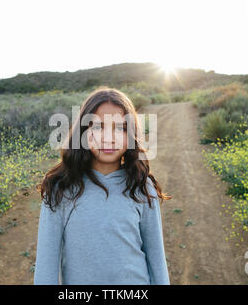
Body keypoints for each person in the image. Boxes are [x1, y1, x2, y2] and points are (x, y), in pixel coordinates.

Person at [34, 86, 171, 285]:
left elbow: (157, 260)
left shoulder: (142, 187)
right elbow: (46, 267)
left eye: (120, 128)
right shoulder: (60, 189)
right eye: (98, 127)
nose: (109, 138)